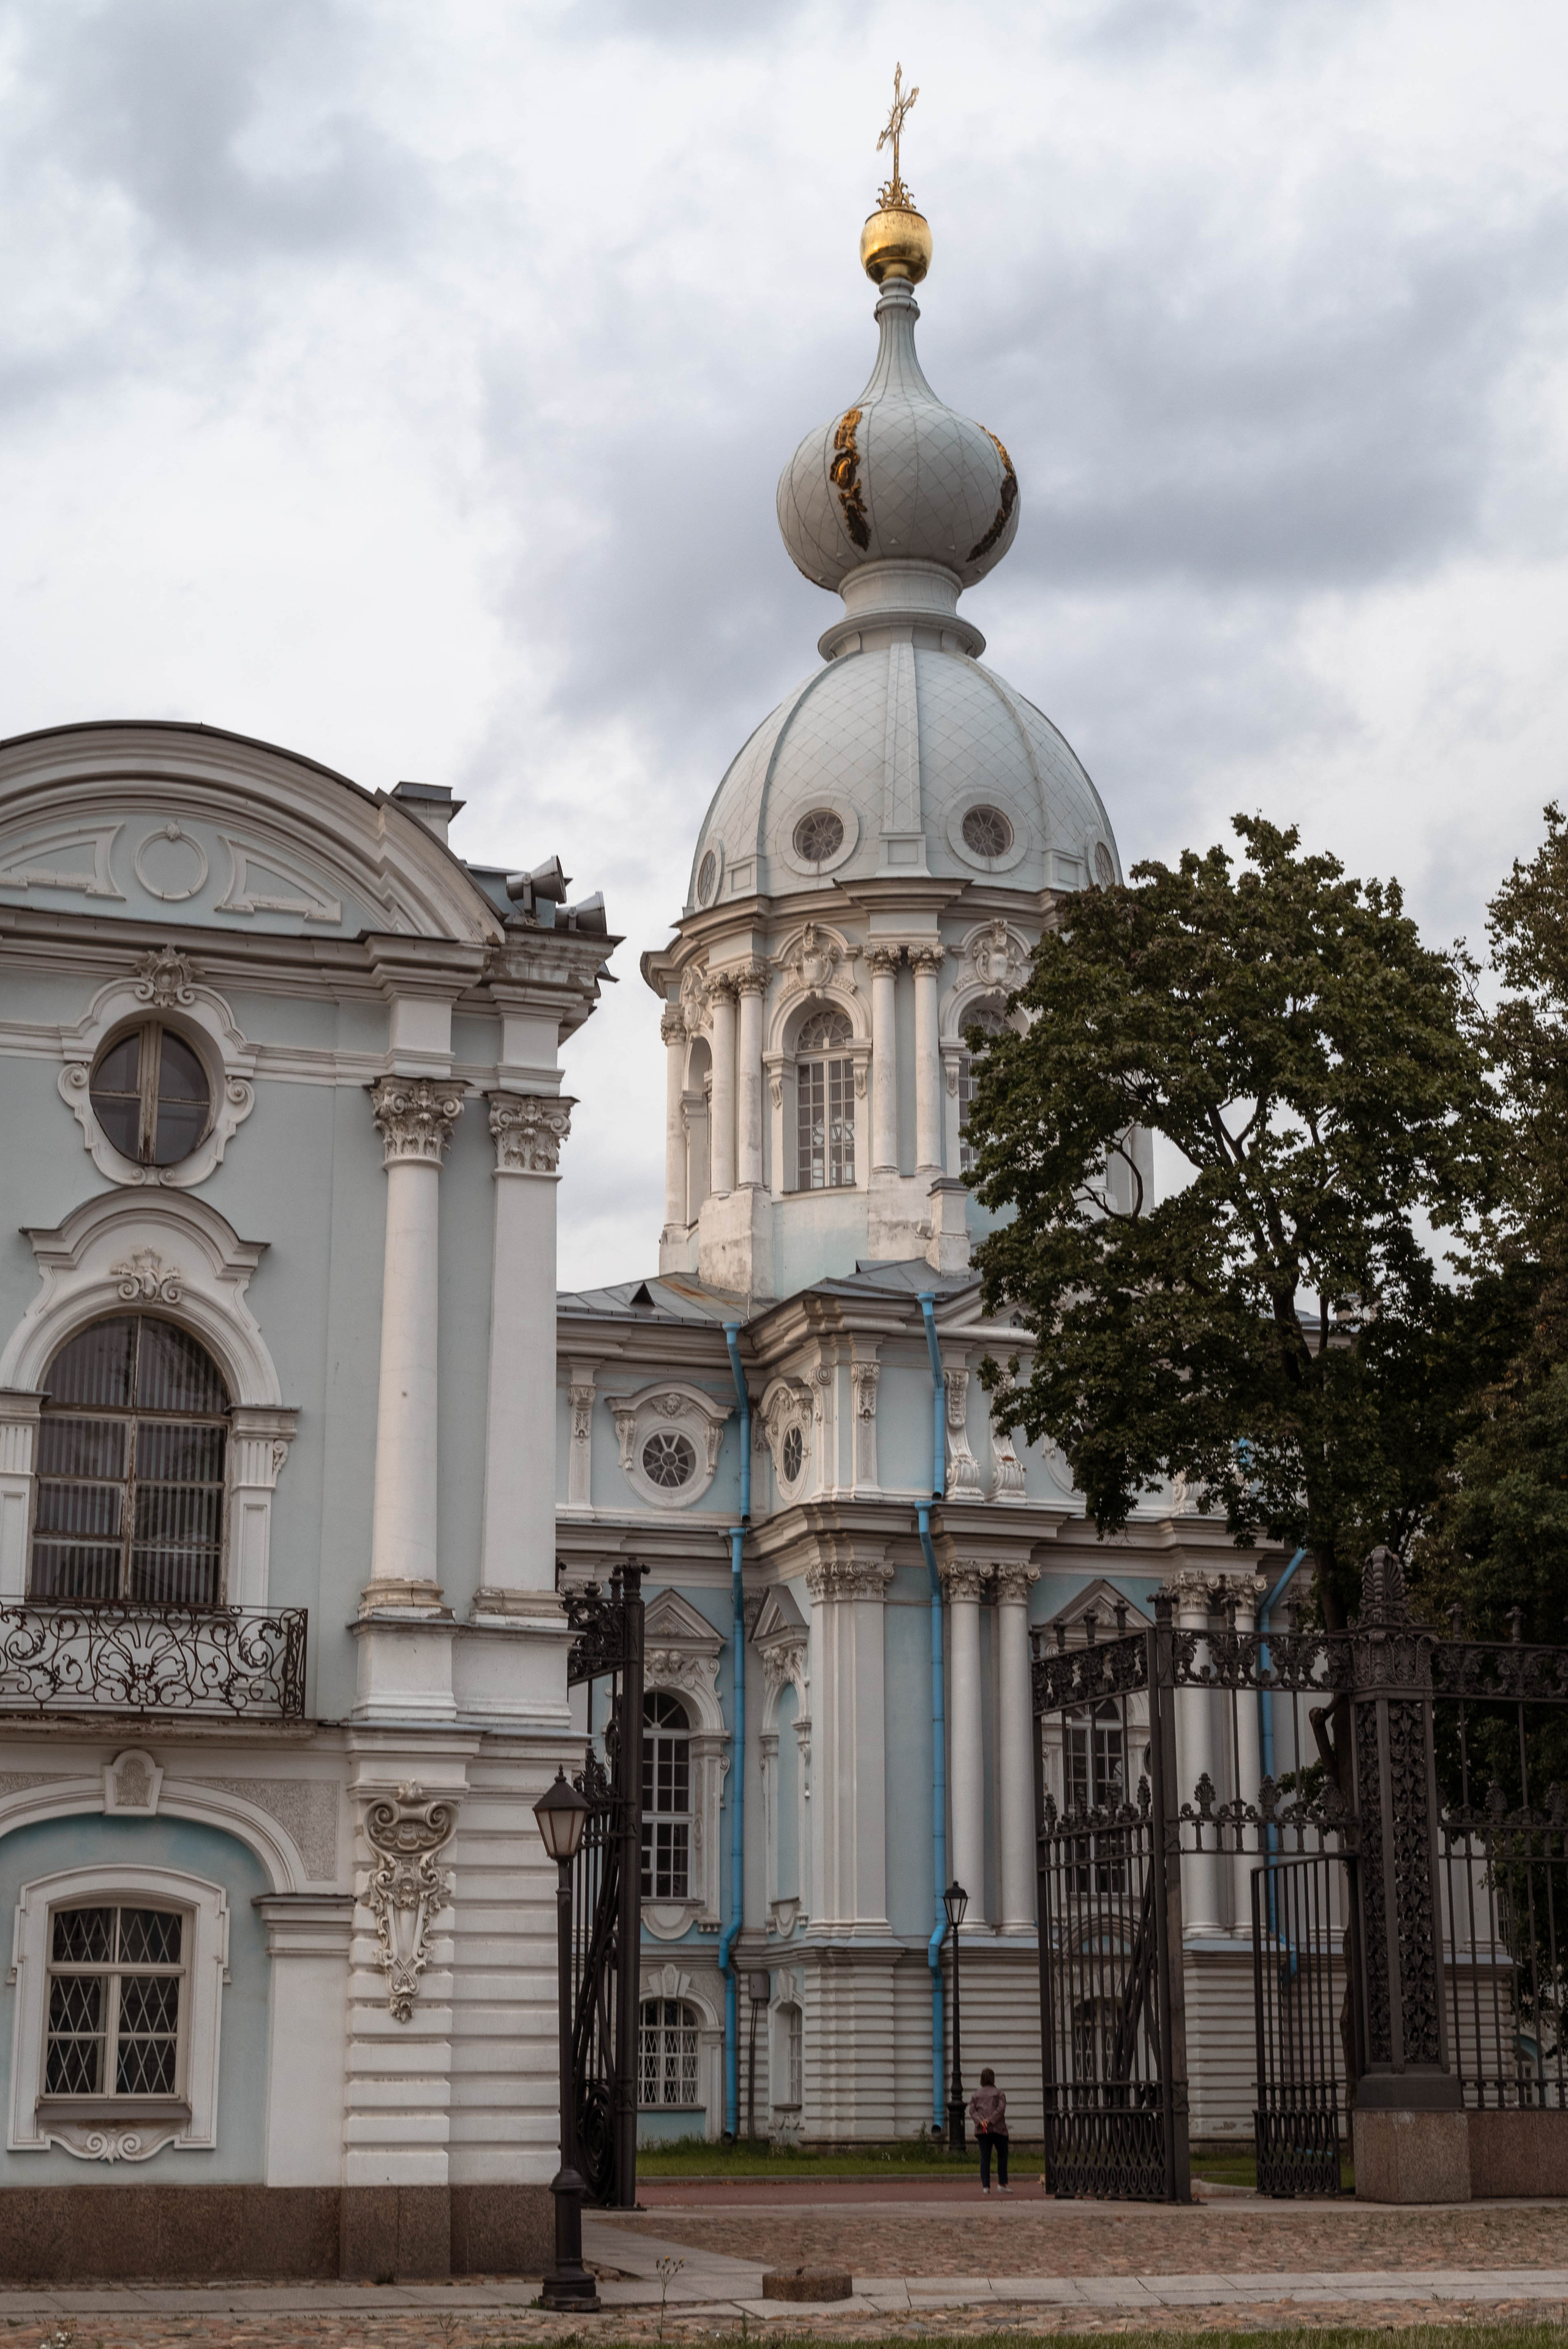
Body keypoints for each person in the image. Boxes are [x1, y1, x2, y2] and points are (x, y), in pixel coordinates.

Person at [969, 2067, 1009, 2193]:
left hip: (982, 2130)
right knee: (1002, 2156)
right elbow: (1001, 2109)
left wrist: (981, 2121)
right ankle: (1002, 2184)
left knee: (985, 2157)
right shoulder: (999, 2093)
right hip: (998, 2129)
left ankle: (986, 2186)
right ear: (993, 2078)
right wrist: (991, 2120)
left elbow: (972, 2111)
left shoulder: (976, 2095)